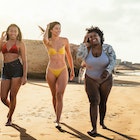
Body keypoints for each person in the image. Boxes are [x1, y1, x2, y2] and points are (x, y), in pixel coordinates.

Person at [77, 26, 116, 137]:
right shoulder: (86, 49)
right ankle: (94, 128)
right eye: (90, 36)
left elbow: (113, 61)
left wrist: (107, 71)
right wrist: (84, 43)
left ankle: (102, 122)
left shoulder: (108, 48)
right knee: (94, 101)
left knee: (103, 102)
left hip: (106, 79)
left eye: (95, 35)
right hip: (90, 78)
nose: (93, 38)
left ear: (100, 37)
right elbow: (79, 56)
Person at [40, 21, 74, 129]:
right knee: (54, 95)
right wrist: (46, 27)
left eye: (59, 28)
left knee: (60, 94)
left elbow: (69, 55)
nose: (58, 30)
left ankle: (58, 120)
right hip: (51, 70)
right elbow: (44, 39)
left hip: (63, 70)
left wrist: (72, 69)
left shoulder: (65, 40)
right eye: (56, 28)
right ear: (51, 30)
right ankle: (56, 115)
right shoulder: (48, 41)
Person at [0, 24, 27, 126]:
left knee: (12, 95)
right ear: (7, 32)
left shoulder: (20, 44)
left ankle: (10, 118)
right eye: (11, 31)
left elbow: (24, 60)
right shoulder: (3, 43)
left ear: (18, 32)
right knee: (2, 97)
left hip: (17, 69)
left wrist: (25, 76)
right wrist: (0, 40)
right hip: (6, 69)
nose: (13, 33)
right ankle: (11, 108)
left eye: (15, 31)